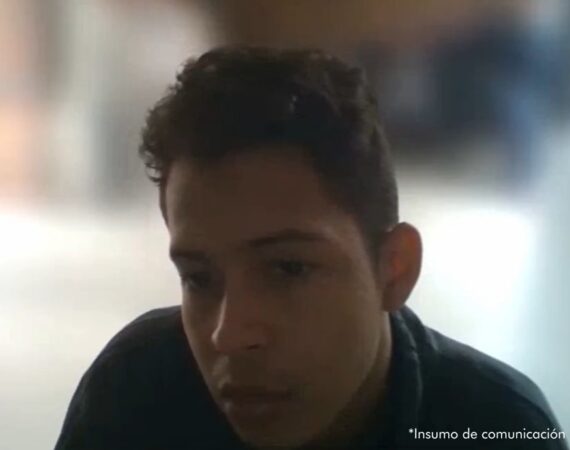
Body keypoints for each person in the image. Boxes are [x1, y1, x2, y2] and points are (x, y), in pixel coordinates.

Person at [54, 47, 567, 450]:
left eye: (288, 269)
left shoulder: (496, 427)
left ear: (394, 268)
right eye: (198, 278)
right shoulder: (135, 392)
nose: (230, 335)